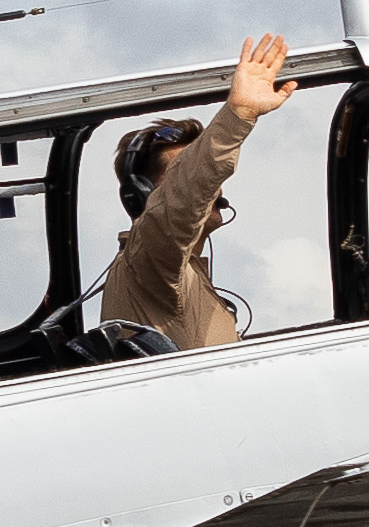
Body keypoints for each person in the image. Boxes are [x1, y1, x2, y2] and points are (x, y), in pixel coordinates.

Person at [94, 32, 297, 354]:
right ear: (143, 195)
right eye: (178, 173)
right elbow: (185, 195)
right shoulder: (148, 261)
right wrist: (238, 115)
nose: (209, 187)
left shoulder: (179, 273)